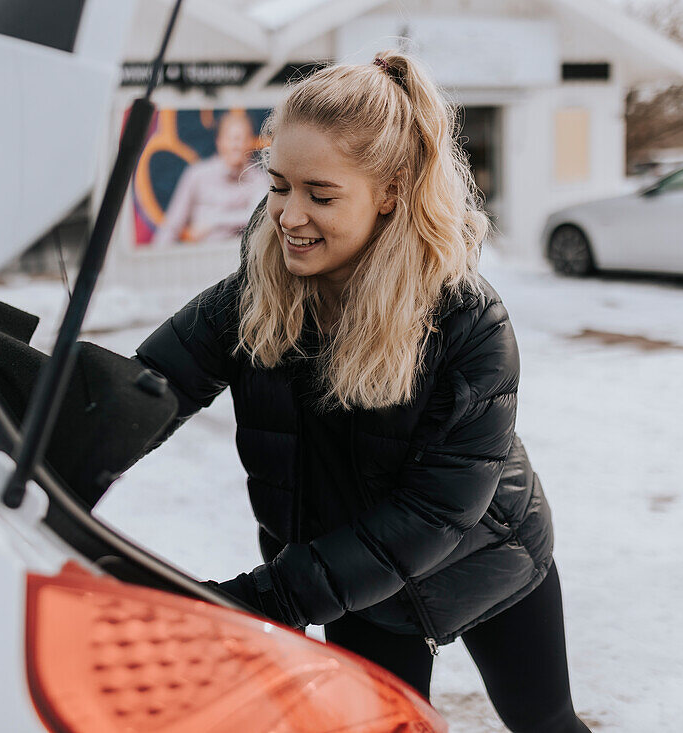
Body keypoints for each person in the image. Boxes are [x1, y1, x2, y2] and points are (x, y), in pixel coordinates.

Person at [135, 54, 590, 732]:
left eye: (320, 194)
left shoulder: (465, 320)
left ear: (390, 190)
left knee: (546, 723)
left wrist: (264, 598)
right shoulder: (254, 298)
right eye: (280, 185)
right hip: (350, 583)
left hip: (488, 558)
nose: (288, 216)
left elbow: (434, 511)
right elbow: (147, 388)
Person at [152, 110, 270, 246]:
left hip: (239, 257)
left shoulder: (258, 179)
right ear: (219, 141)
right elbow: (172, 225)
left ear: (250, 142)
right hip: (201, 256)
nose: (237, 146)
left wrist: (214, 221)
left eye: (243, 139)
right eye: (232, 139)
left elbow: (258, 218)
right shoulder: (198, 175)